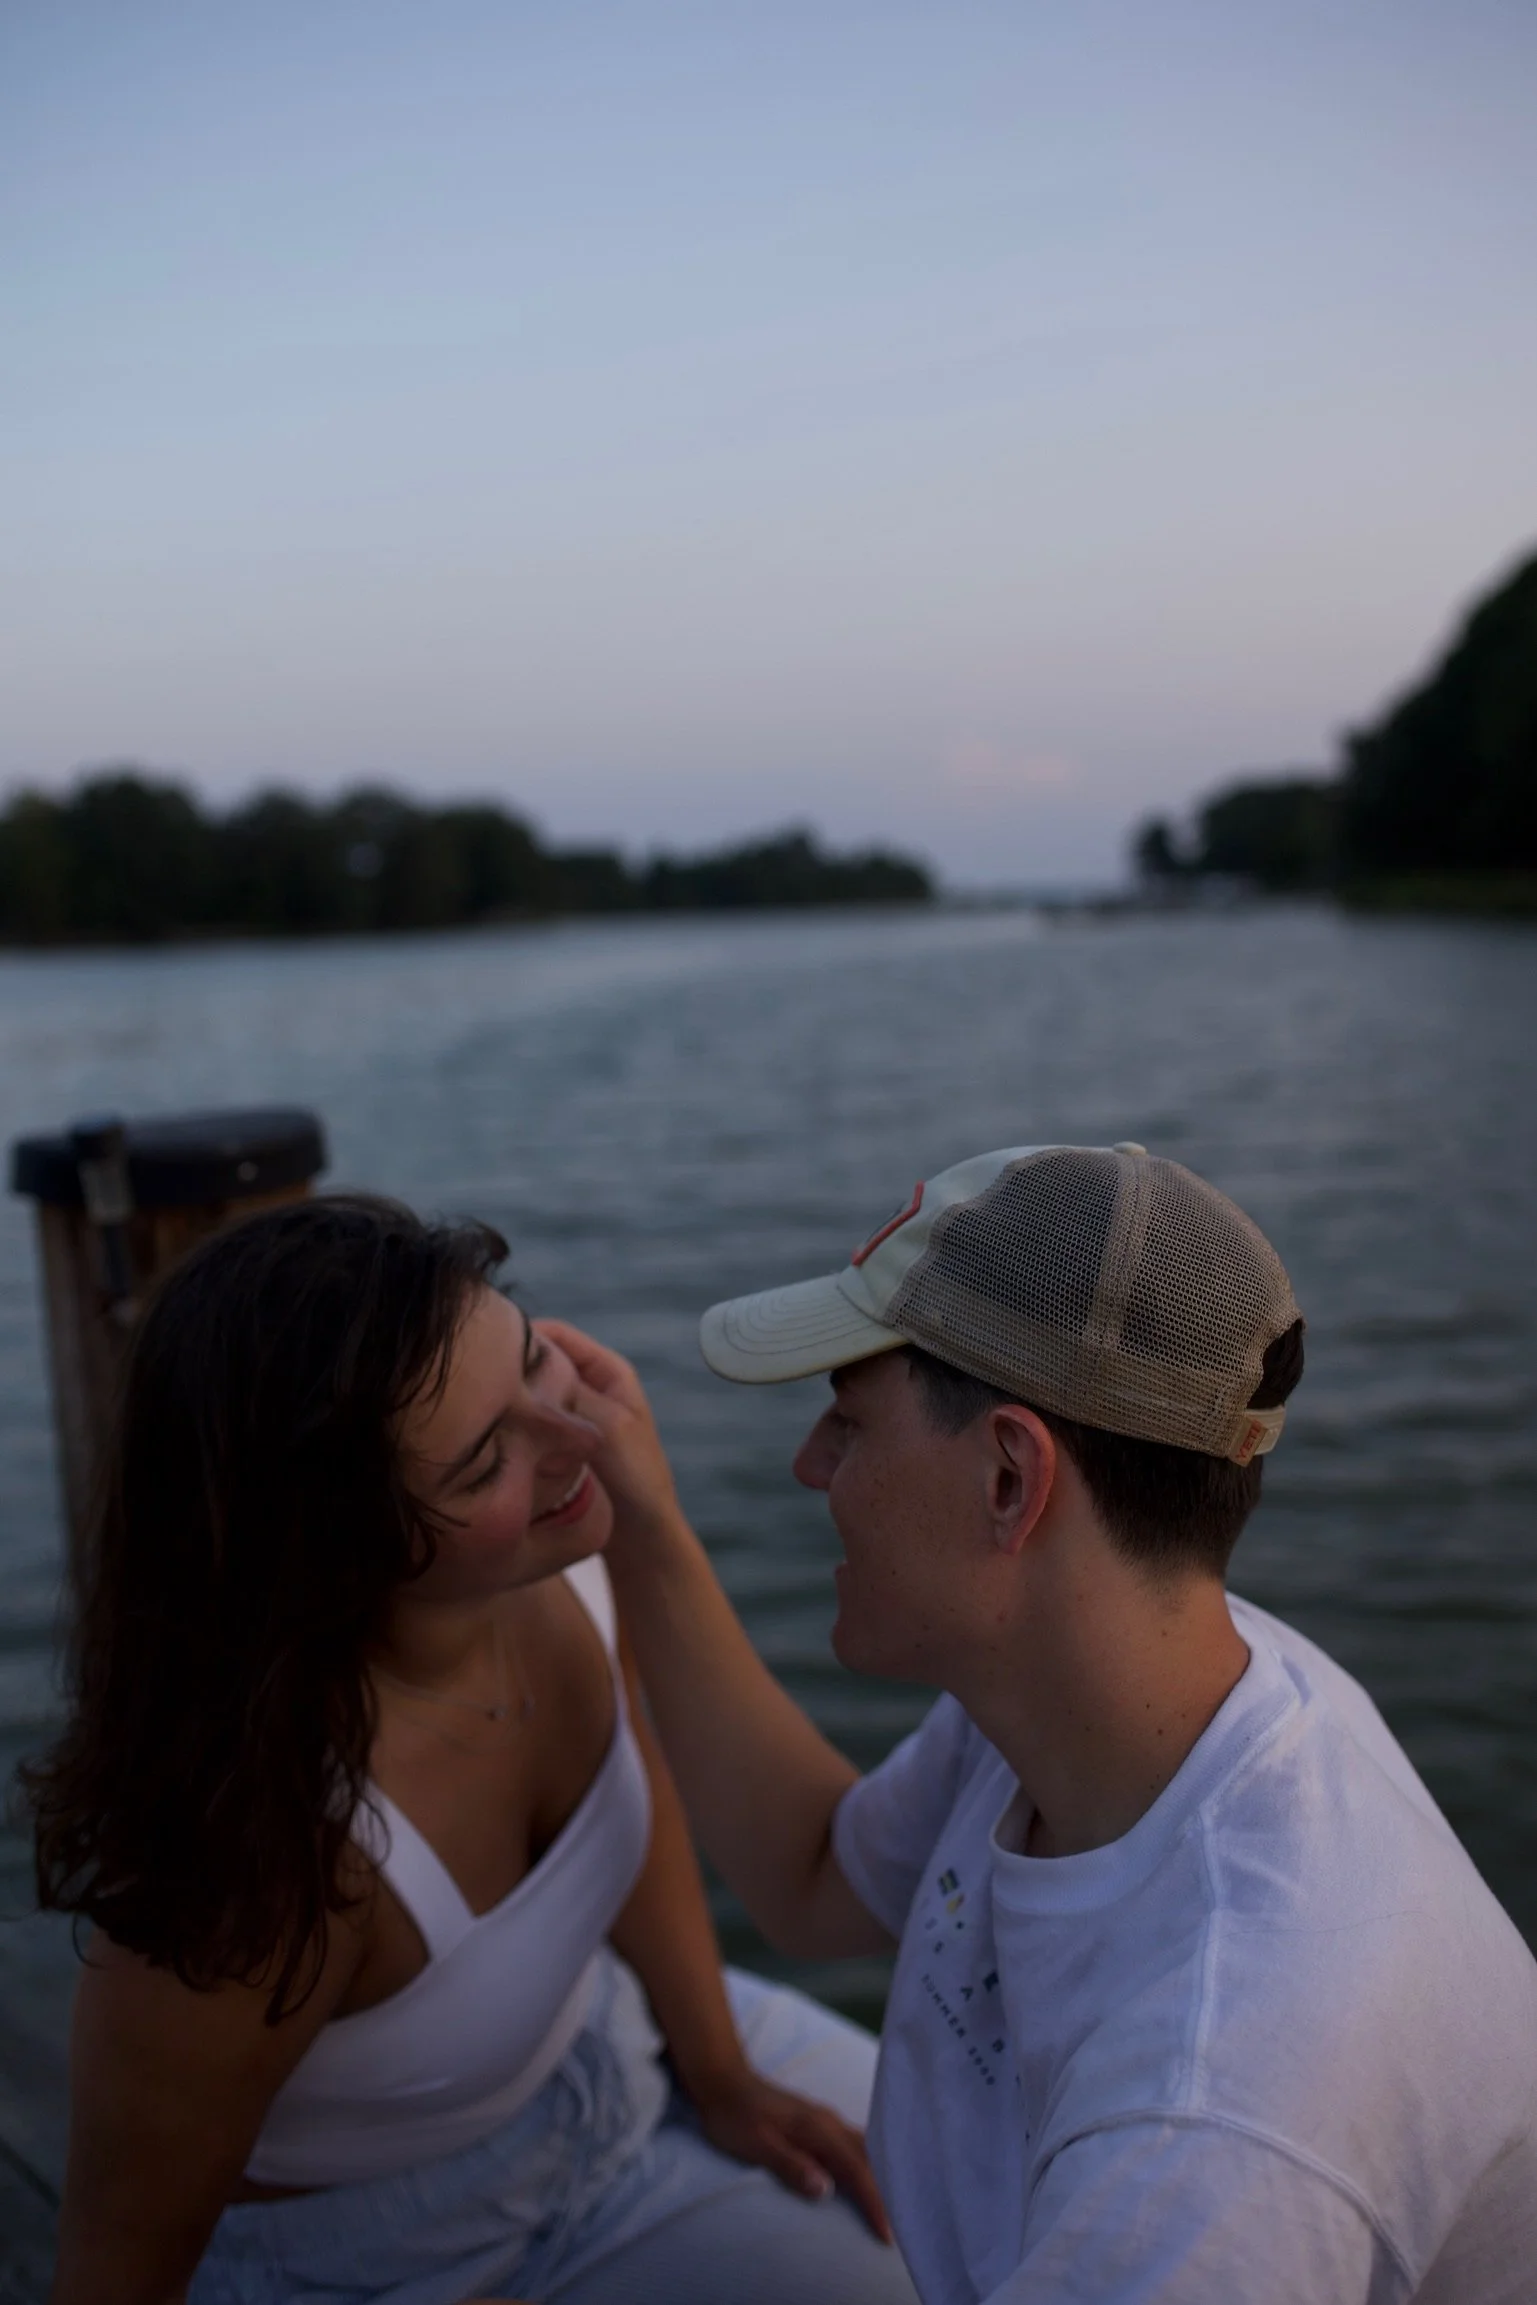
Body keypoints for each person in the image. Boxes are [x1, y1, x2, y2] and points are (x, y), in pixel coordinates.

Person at [548, 1141, 1537, 2305]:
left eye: (849, 1422)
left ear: (1011, 1479)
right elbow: (815, 1879)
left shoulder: (1213, 2121)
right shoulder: (1123, 1691)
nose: (810, 1466)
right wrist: (647, 1526)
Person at [25, 1194, 917, 2305]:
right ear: (336, 1547)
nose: (585, 1439)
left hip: (616, 2063)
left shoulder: (566, 1570)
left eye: (536, 1359)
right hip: (382, 2261)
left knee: (974, 2211)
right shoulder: (259, 1865)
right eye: (487, 1456)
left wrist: (719, 2070)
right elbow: (113, 2277)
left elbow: (629, 1819)